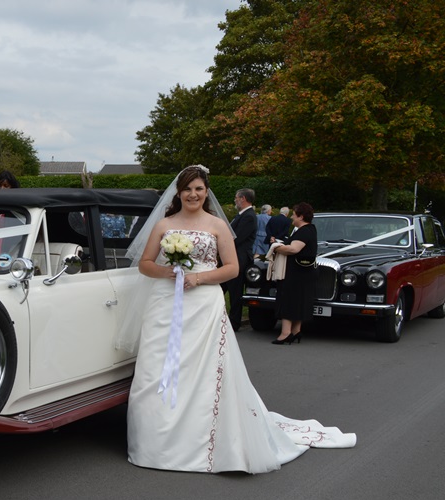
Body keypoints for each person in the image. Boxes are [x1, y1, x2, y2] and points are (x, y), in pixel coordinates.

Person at [122, 165, 355, 474]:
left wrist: (199, 278)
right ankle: (154, 444)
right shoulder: (164, 224)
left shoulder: (217, 225)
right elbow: (145, 264)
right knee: (157, 369)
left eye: (199, 189)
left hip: (203, 305)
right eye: (188, 189)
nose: (193, 194)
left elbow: (232, 269)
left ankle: (201, 443)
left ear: (207, 193)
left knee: (202, 372)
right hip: (165, 304)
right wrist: (171, 272)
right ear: (179, 192)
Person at [270, 203, 318, 344]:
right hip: (303, 272)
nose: (291, 217)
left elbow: (293, 249)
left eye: (294, 214)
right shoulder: (309, 230)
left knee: (288, 300)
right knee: (299, 301)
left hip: (296, 273)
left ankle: (285, 333)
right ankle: (296, 331)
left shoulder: (304, 231)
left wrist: (276, 247)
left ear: (301, 217)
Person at [222, 188, 257, 332]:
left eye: (236, 197)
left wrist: (221, 244)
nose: (235, 200)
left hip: (239, 259)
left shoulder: (248, 216)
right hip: (232, 258)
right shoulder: (241, 215)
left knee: (235, 292)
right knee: (221, 288)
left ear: (243, 198)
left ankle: (234, 322)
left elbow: (237, 238)